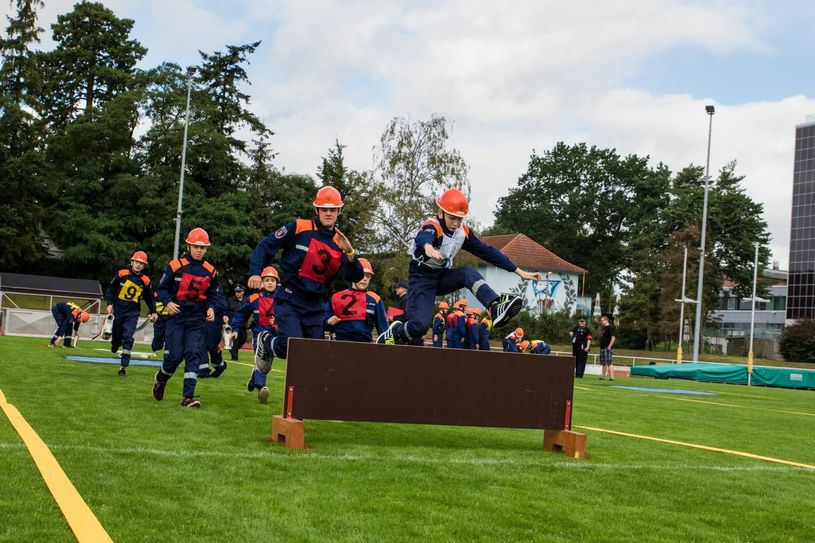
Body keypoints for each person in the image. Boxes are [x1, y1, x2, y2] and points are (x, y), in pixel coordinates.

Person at [377, 188, 541, 345]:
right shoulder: (433, 226)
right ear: (441, 212)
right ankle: (395, 332)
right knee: (419, 327)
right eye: (452, 218)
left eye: (459, 219)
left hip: (442, 276)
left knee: (467, 272)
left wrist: (518, 271)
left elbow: (487, 252)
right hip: (421, 279)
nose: (456, 223)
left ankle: (494, 307)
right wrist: (427, 246)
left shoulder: (463, 232)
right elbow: (423, 236)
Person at [248, 186, 364, 376]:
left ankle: (304, 394)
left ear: (339, 211)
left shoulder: (340, 243)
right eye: (324, 209)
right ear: (316, 209)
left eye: (332, 210)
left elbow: (356, 276)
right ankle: (266, 341)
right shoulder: (299, 227)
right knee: (292, 346)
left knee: (312, 354)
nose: (328, 213)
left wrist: (350, 251)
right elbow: (266, 245)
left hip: (316, 305)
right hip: (290, 299)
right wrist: (255, 272)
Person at [152, 227, 226, 408]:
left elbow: (213, 295)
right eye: (196, 247)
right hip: (176, 318)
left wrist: (211, 308)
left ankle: (187, 397)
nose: (199, 250)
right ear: (188, 246)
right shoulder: (175, 266)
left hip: (196, 319)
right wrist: (168, 303)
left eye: (202, 247)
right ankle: (161, 378)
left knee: (193, 354)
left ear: (206, 249)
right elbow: (160, 289)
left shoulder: (211, 271)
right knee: (175, 356)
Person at [104, 251, 158, 376]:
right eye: (136, 262)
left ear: (144, 266)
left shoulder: (145, 280)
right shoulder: (122, 274)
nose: (138, 265)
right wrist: (109, 303)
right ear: (132, 262)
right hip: (119, 310)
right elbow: (111, 289)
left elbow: (149, 297)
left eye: (141, 263)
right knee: (116, 339)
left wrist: (154, 311)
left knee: (128, 337)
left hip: (132, 313)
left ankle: (123, 367)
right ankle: (115, 344)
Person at [232, 266, 279, 403]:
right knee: (261, 358)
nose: (270, 283)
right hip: (259, 336)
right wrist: (235, 329)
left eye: (273, 280)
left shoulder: (282, 299)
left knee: (267, 362)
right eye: (267, 280)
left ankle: (254, 380)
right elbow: (241, 314)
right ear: (261, 283)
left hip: (274, 337)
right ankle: (261, 387)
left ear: (277, 283)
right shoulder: (253, 298)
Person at [325, 258, 388, 343]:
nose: (365, 279)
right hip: (340, 345)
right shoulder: (335, 298)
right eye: (362, 275)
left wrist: (388, 347)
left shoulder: (375, 299)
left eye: (368, 276)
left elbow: (383, 330)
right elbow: (321, 323)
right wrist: (328, 321)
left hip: (365, 346)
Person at [226, 285, 248, 360]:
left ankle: (232, 349)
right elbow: (226, 310)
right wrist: (226, 316)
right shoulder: (230, 300)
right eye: (236, 291)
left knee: (243, 339)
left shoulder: (247, 300)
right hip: (233, 323)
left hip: (243, 324)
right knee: (235, 339)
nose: (237, 293)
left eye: (239, 291)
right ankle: (234, 357)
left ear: (243, 292)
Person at [599, 315, 616, 380]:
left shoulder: (610, 327)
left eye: (602, 320)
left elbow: (613, 337)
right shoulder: (603, 328)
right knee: (603, 363)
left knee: (609, 362)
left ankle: (612, 377)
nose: (601, 322)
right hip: (602, 347)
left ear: (606, 320)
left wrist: (610, 346)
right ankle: (603, 376)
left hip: (607, 347)